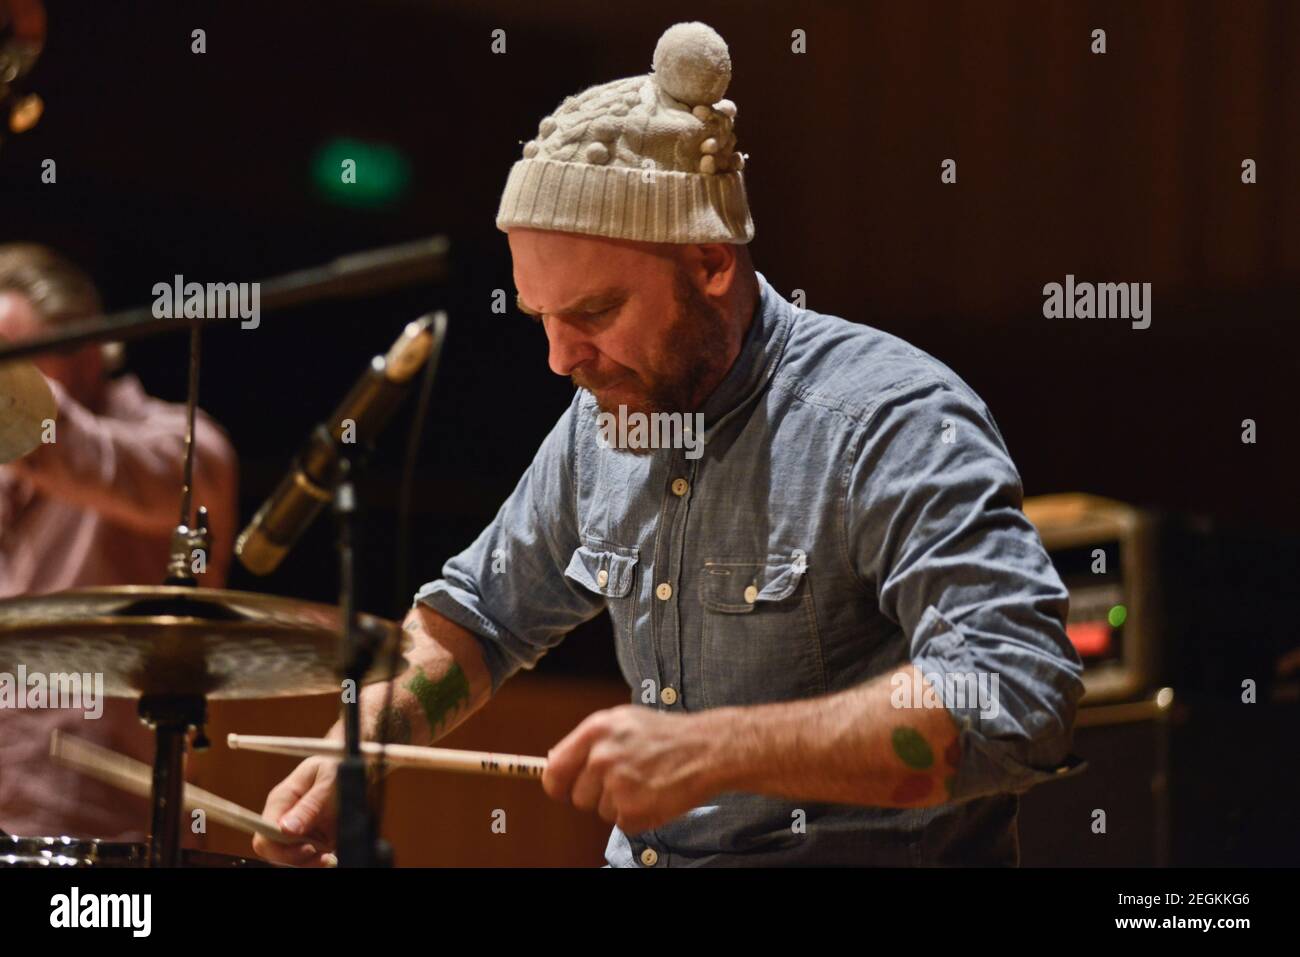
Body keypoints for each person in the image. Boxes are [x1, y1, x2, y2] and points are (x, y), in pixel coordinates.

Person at [255, 21, 1084, 867]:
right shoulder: (603, 418)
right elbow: (478, 617)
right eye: (541, 317)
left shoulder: (889, 418)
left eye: (593, 313)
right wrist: (350, 751)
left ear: (709, 261)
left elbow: (1017, 696)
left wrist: (713, 751)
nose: (559, 358)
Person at [0, 242, 238, 841]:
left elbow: (97, 460)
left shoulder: (183, 443)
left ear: (86, 352)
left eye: (17, 360)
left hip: (99, 820)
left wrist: (20, 401)